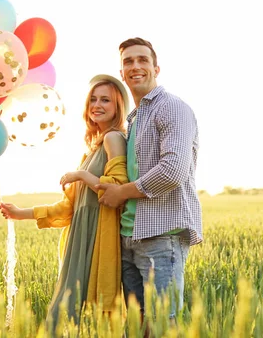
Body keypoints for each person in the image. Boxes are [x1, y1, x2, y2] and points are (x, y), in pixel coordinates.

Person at [0, 74, 131, 331]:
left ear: (117, 107)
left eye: (106, 100)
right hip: (80, 237)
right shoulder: (92, 148)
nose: (97, 105)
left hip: (97, 237)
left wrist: (81, 175)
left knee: (83, 310)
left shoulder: (113, 138)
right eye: (93, 99)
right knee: (69, 307)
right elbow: (68, 208)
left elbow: (116, 188)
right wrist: (20, 214)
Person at [96, 37, 203, 320]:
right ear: (122, 73)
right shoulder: (135, 119)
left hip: (161, 237)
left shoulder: (171, 107)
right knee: (137, 325)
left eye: (143, 60)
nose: (136, 66)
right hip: (129, 236)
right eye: (128, 62)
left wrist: (122, 193)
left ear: (156, 69)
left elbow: (173, 169)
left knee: (161, 325)